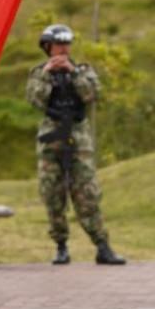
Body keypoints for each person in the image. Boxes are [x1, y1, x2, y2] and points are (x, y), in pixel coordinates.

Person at [27, 24, 126, 266]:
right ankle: (61, 247)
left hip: (78, 138)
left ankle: (103, 247)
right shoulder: (38, 73)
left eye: (67, 44)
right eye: (59, 45)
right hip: (51, 137)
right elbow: (35, 99)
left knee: (87, 193)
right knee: (52, 194)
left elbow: (91, 95)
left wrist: (72, 73)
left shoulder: (83, 71)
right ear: (48, 47)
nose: (64, 49)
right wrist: (47, 75)